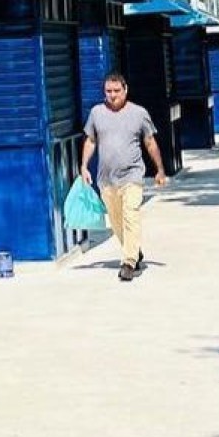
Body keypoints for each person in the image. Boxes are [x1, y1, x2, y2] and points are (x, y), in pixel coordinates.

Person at [79, 72, 168, 281]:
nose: (112, 95)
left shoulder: (139, 113)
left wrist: (160, 169)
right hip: (106, 179)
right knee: (117, 221)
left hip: (132, 175)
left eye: (116, 91)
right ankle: (134, 251)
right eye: (108, 92)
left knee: (131, 215)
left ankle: (128, 262)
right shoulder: (96, 113)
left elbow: (150, 142)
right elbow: (90, 141)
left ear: (125, 90)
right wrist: (83, 166)